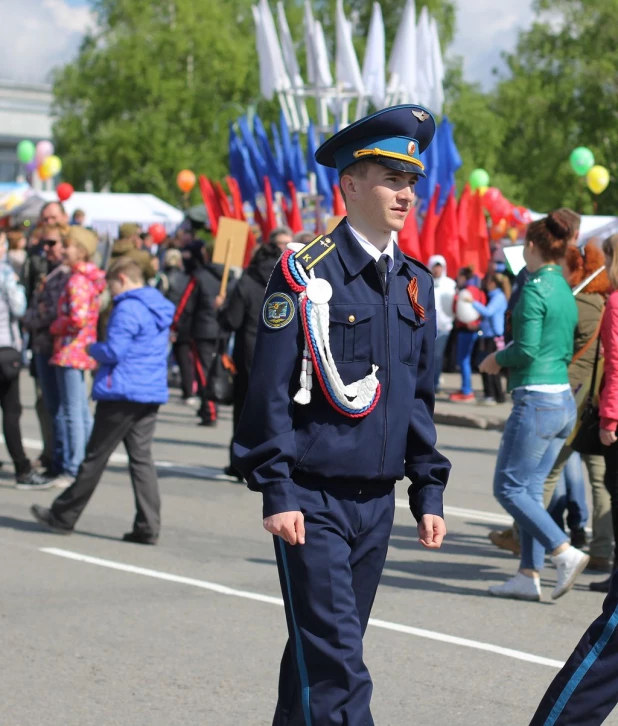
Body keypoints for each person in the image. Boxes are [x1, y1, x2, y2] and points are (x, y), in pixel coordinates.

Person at [232, 105, 450, 724]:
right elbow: (268, 389)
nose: (406, 193)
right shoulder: (304, 274)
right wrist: (276, 489)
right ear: (350, 184)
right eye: (390, 177)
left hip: (375, 501)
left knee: (323, 652)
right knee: (339, 668)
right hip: (312, 497)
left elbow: (417, 394)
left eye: (411, 180)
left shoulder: (413, 282)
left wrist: (428, 489)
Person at [480, 211, 588, 602]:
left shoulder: (536, 286)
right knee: (528, 488)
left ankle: (563, 551)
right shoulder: (563, 287)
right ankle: (528, 573)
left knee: (508, 488)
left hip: (538, 399)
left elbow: (525, 349)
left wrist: (495, 360)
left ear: (530, 247)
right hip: (562, 400)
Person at [31, 258, 175, 543]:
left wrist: (91, 348)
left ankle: (63, 515)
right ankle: (148, 526)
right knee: (141, 460)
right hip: (148, 390)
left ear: (122, 278)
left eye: (111, 284)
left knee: (94, 458)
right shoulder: (157, 304)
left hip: (122, 391)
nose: (110, 291)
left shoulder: (127, 307)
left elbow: (115, 351)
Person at [542, 242, 611, 576]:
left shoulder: (581, 304)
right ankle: (600, 551)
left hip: (575, 398)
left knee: (545, 471)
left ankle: (530, 542)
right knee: (599, 480)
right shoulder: (601, 302)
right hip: (597, 404)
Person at [218, 240, 281, 480]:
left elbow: (231, 320)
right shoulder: (283, 282)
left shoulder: (245, 282)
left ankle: (239, 463)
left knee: (242, 411)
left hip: (247, 353)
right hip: (276, 353)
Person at [48, 227, 106, 490]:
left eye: (68, 245)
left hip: (72, 349)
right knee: (79, 409)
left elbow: (78, 318)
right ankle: (83, 462)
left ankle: (75, 467)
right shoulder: (84, 277)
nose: (63, 249)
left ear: (81, 250)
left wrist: (56, 325)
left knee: (73, 411)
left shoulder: (77, 280)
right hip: (78, 349)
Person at [21, 225, 71, 481]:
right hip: (41, 345)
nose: (47, 249)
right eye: (45, 244)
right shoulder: (45, 270)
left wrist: (34, 316)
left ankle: (63, 462)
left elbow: (53, 312)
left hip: (58, 347)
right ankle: (55, 456)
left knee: (63, 409)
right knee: (50, 406)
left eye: (53, 244)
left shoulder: (65, 275)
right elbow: (32, 306)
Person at [0, 235, 49, 488]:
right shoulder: (5, 273)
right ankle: (22, 468)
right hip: (4, 347)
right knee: (11, 410)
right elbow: (19, 308)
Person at [471, 272, 510, 405]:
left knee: (489, 367)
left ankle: (492, 395)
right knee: (489, 366)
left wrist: (472, 303)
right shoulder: (495, 296)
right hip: (489, 335)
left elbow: (488, 312)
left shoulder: (498, 297)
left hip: (493, 336)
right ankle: (494, 395)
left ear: (493, 283)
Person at [450, 266, 485, 402]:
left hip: (466, 330)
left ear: (463, 277)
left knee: (463, 360)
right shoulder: (477, 290)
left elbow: (456, 309)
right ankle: (465, 388)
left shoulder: (465, 292)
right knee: (466, 360)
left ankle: (467, 390)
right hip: (475, 329)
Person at [164, 248, 195, 404]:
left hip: (168, 320)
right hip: (182, 320)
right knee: (184, 359)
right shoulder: (186, 278)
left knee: (165, 356)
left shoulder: (164, 278)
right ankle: (188, 391)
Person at [428, 254, 456, 393]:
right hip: (427, 325)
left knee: (437, 356)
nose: (437, 270)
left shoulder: (450, 284)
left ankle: (435, 382)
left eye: (439, 267)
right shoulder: (425, 281)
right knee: (427, 355)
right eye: (435, 267)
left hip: (444, 327)